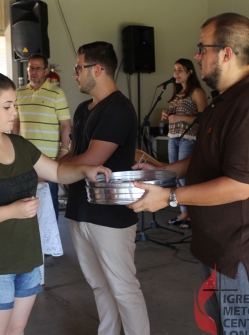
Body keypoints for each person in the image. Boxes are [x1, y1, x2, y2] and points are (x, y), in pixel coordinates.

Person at [129, 13, 249, 334]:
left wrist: (169, 196)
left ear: (226, 53)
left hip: (243, 252)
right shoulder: (223, 101)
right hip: (219, 244)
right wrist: (162, 170)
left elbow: (239, 185)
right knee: (222, 327)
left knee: (243, 330)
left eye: (201, 48)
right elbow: (204, 159)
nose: (197, 56)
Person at [0, 71, 110, 335]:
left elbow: (56, 172)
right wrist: (12, 210)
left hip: (28, 259)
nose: (15, 113)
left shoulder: (19, 145)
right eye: (7, 106)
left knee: (17, 330)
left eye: (15, 106)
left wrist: (84, 171)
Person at [59, 41, 150, 335]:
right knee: (99, 285)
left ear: (97, 69)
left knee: (123, 288)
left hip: (110, 214)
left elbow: (91, 159)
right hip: (81, 208)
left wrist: (49, 171)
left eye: (78, 68)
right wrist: (53, 165)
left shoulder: (119, 109)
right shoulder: (85, 108)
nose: (75, 74)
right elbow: (74, 155)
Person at [11, 53, 71, 220]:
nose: (33, 72)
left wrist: (64, 152)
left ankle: (50, 246)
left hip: (48, 161)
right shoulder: (19, 93)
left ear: (46, 71)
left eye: (38, 68)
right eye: (31, 68)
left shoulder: (56, 93)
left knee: (49, 209)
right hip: (24, 160)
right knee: (26, 207)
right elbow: (15, 124)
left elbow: (66, 125)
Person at [161, 58, 206, 228]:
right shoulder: (177, 93)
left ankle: (192, 214)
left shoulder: (197, 92)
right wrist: (167, 114)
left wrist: (180, 118)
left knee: (186, 177)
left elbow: (204, 118)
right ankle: (184, 212)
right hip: (173, 137)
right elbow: (176, 114)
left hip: (189, 138)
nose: (176, 73)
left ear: (190, 72)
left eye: (180, 70)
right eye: (174, 70)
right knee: (176, 177)